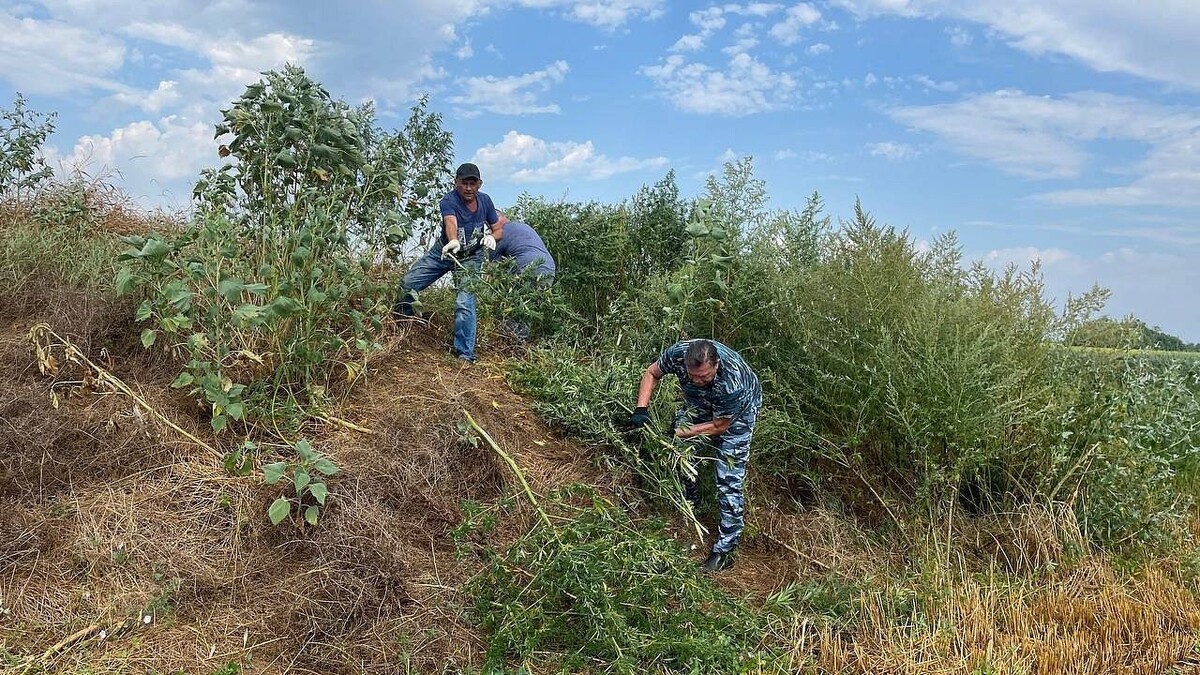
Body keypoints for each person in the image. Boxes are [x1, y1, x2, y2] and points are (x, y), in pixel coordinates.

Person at [631, 339, 762, 573]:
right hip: (698, 405)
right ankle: (691, 504)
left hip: (736, 416)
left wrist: (677, 432)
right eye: (693, 376)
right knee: (680, 456)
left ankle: (725, 550)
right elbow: (652, 372)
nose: (698, 381)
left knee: (728, 480)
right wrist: (641, 409)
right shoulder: (678, 354)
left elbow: (720, 426)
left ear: (716, 365)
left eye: (704, 377)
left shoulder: (732, 381)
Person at [394, 162, 500, 363]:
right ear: (456, 182)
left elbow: (498, 228)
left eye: (473, 183)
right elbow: (450, 221)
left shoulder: (485, 201)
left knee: (465, 302)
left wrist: (492, 237)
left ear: (479, 184)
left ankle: (465, 354)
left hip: (471, 257)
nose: (468, 188)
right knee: (408, 284)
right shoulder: (449, 200)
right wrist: (453, 241)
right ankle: (403, 325)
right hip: (444, 252)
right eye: (464, 183)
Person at [488, 213, 556, 340]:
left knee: (514, 307)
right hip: (549, 268)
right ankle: (525, 341)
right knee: (527, 308)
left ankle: (514, 344)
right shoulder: (523, 227)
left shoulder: (498, 235)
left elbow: (493, 273)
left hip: (528, 267)